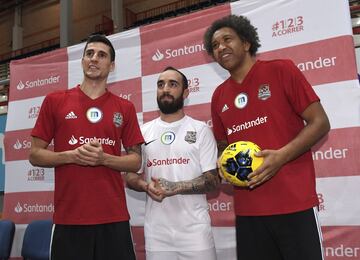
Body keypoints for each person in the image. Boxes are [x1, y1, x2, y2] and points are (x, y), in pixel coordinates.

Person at [203, 15, 330, 260]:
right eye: (215, 45)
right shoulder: (219, 96)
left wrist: (281, 157)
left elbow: (320, 122)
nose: (220, 48)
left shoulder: (281, 70)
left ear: (247, 43)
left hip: (294, 204)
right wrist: (222, 163)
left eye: (227, 39)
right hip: (249, 212)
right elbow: (223, 144)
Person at [29, 34, 144, 260]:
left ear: (111, 66)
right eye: (89, 54)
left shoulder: (125, 107)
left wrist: (104, 160)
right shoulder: (55, 100)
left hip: (114, 217)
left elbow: (136, 160)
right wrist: (71, 156)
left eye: (102, 55)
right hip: (69, 218)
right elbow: (34, 154)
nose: (94, 59)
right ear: (82, 61)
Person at [126, 67, 220, 260]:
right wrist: (145, 185)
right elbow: (130, 175)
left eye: (173, 84)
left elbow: (213, 180)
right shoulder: (143, 132)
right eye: (161, 85)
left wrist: (175, 187)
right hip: (157, 235)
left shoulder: (200, 130)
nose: (165, 89)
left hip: (195, 233)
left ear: (185, 92)